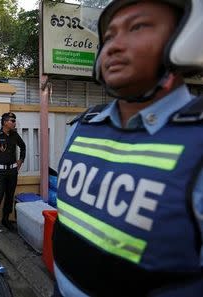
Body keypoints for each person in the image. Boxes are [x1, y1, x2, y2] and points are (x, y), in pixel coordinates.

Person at [53, 1, 203, 296]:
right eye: (108, 37)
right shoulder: (82, 129)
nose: (113, 47)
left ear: (184, 36)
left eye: (138, 27)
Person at [0, 112, 26, 234]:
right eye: (12, 121)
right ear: (5, 122)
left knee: (10, 197)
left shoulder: (14, 135)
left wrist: (21, 160)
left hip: (12, 172)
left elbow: (23, 146)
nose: (14, 123)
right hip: (0, 173)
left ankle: (5, 220)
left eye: (14, 121)